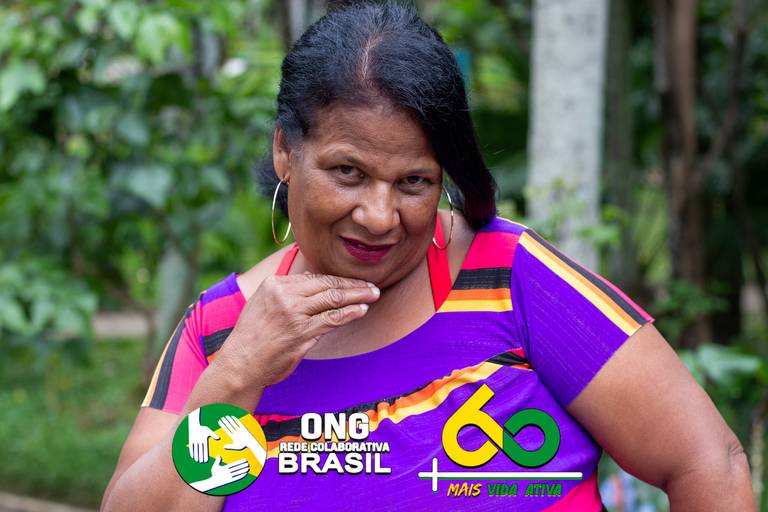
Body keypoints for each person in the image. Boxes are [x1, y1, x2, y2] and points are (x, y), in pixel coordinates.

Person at [101, 3, 754, 511]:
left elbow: (708, 464)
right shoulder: (221, 329)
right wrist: (237, 378)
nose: (380, 215)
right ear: (284, 151)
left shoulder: (513, 281)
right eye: (348, 172)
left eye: (413, 182)